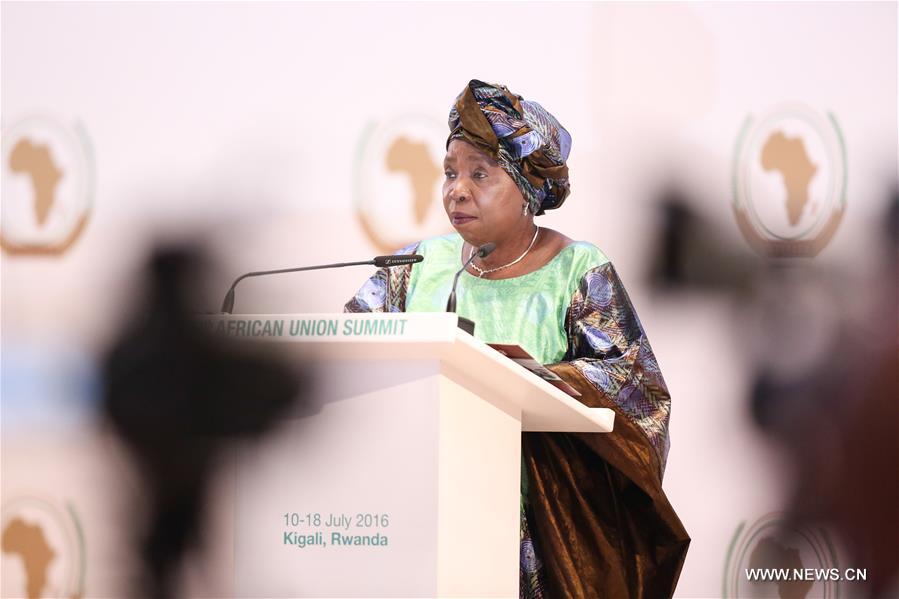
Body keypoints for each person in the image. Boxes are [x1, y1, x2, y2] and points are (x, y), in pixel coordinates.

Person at [346, 80, 689, 598]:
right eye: (450, 173)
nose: (457, 190)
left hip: (530, 542)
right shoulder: (415, 267)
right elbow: (351, 350)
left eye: (480, 174)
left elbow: (637, 392)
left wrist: (542, 379)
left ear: (527, 188)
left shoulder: (577, 270)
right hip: (408, 520)